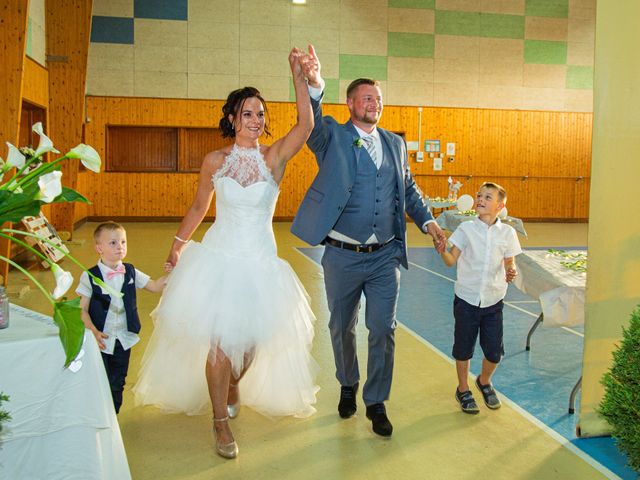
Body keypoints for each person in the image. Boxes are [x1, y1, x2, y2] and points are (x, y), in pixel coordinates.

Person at [132, 48, 318, 460]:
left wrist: (298, 77)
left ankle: (234, 384)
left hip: (260, 264)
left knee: (248, 345)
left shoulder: (274, 158)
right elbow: (199, 207)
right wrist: (178, 246)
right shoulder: (214, 161)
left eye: (261, 114)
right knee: (219, 346)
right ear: (233, 118)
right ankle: (220, 422)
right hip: (218, 259)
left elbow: (306, 124)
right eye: (248, 113)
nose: (257, 120)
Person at [293, 45, 447, 437]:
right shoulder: (332, 136)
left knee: (383, 328)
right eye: (366, 98)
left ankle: (376, 401)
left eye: (378, 99)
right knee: (342, 326)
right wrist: (315, 84)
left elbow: (407, 188)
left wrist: (427, 220)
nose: (373, 103)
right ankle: (348, 383)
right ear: (350, 103)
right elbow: (311, 122)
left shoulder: (395, 144)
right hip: (343, 255)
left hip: (384, 257)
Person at [439, 182, 521, 414]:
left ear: (500, 205)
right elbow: (450, 260)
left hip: (493, 302)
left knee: (494, 352)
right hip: (466, 300)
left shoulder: (508, 232)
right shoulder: (465, 229)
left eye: (488, 196)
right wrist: (441, 248)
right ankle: (463, 388)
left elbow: (509, 260)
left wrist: (511, 269)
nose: (481, 199)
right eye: (479, 195)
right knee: (463, 348)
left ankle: (484, 381)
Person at [76, 221, 167, 414]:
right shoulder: (89, 276)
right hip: (100, 339)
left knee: (118, 380)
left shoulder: (131, 271)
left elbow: (155, 286)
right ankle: (98, 415)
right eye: (113, 243)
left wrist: (176, 271)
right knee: (99, 378)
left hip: (123, 339)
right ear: (99, 248)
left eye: (123, 242)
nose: (120, 247)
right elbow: (82, 309)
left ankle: (113, 416)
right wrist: (92, 331)